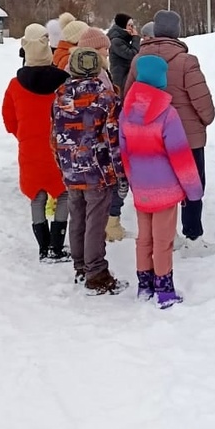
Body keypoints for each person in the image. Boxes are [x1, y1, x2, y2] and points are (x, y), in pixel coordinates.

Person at [124, 10, 215, 257]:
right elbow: (202, 100)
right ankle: (193, 237)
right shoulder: (186, 61)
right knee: (193, 184)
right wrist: (205, 120)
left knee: (163, 184)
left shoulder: (138, 60)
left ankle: (170, 235)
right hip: (187, 136)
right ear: (176, 32)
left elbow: (129, 99)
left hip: (150, 137)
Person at [119, 55, 204, 308]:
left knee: (143, 238)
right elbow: (181, 157)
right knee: (163, 240)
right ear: (161, 79)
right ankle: (164, 290)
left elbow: (124, 153)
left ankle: (144, 285)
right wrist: (193, 190)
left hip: (142, 188)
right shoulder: (167, 114)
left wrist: (134, 181)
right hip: (166, 190)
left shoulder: (126, 112)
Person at [51, 47, 129, 294]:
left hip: (71, 169)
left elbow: (54, 135)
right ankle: (96, 272)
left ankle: (81, 267)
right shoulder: (107, 98)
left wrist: (62, 163)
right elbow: (113, 139)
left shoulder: (61, 96)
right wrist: (121, 175)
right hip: (98, 171)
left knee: (78, 217)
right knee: (96, 220)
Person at [2, 24, 70, 261]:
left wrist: (25, 136)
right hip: (60, 148)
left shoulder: (15, 85)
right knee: (63, 194)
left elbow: (9, 120)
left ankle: (43, 247)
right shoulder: (63, 82)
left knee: (37, 195)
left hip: (30, 149)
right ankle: (57, 245)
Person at [77, 26, 130, 240]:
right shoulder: (95, 76)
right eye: (103, 49)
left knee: (115, 186)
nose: (107, 53)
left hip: (104, 141)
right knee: (116, 186)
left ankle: (110, 224)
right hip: (101, 143)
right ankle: (109, 226)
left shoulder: (102, 71)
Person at [107, 13, 141, 90]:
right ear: (122, 26)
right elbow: (133, 54)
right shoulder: (116, 41)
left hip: (125, 75)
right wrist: (136, 38)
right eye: (129, 25)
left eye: (132, 26)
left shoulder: (123, 40)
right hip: (120, 78)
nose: (132, 28)